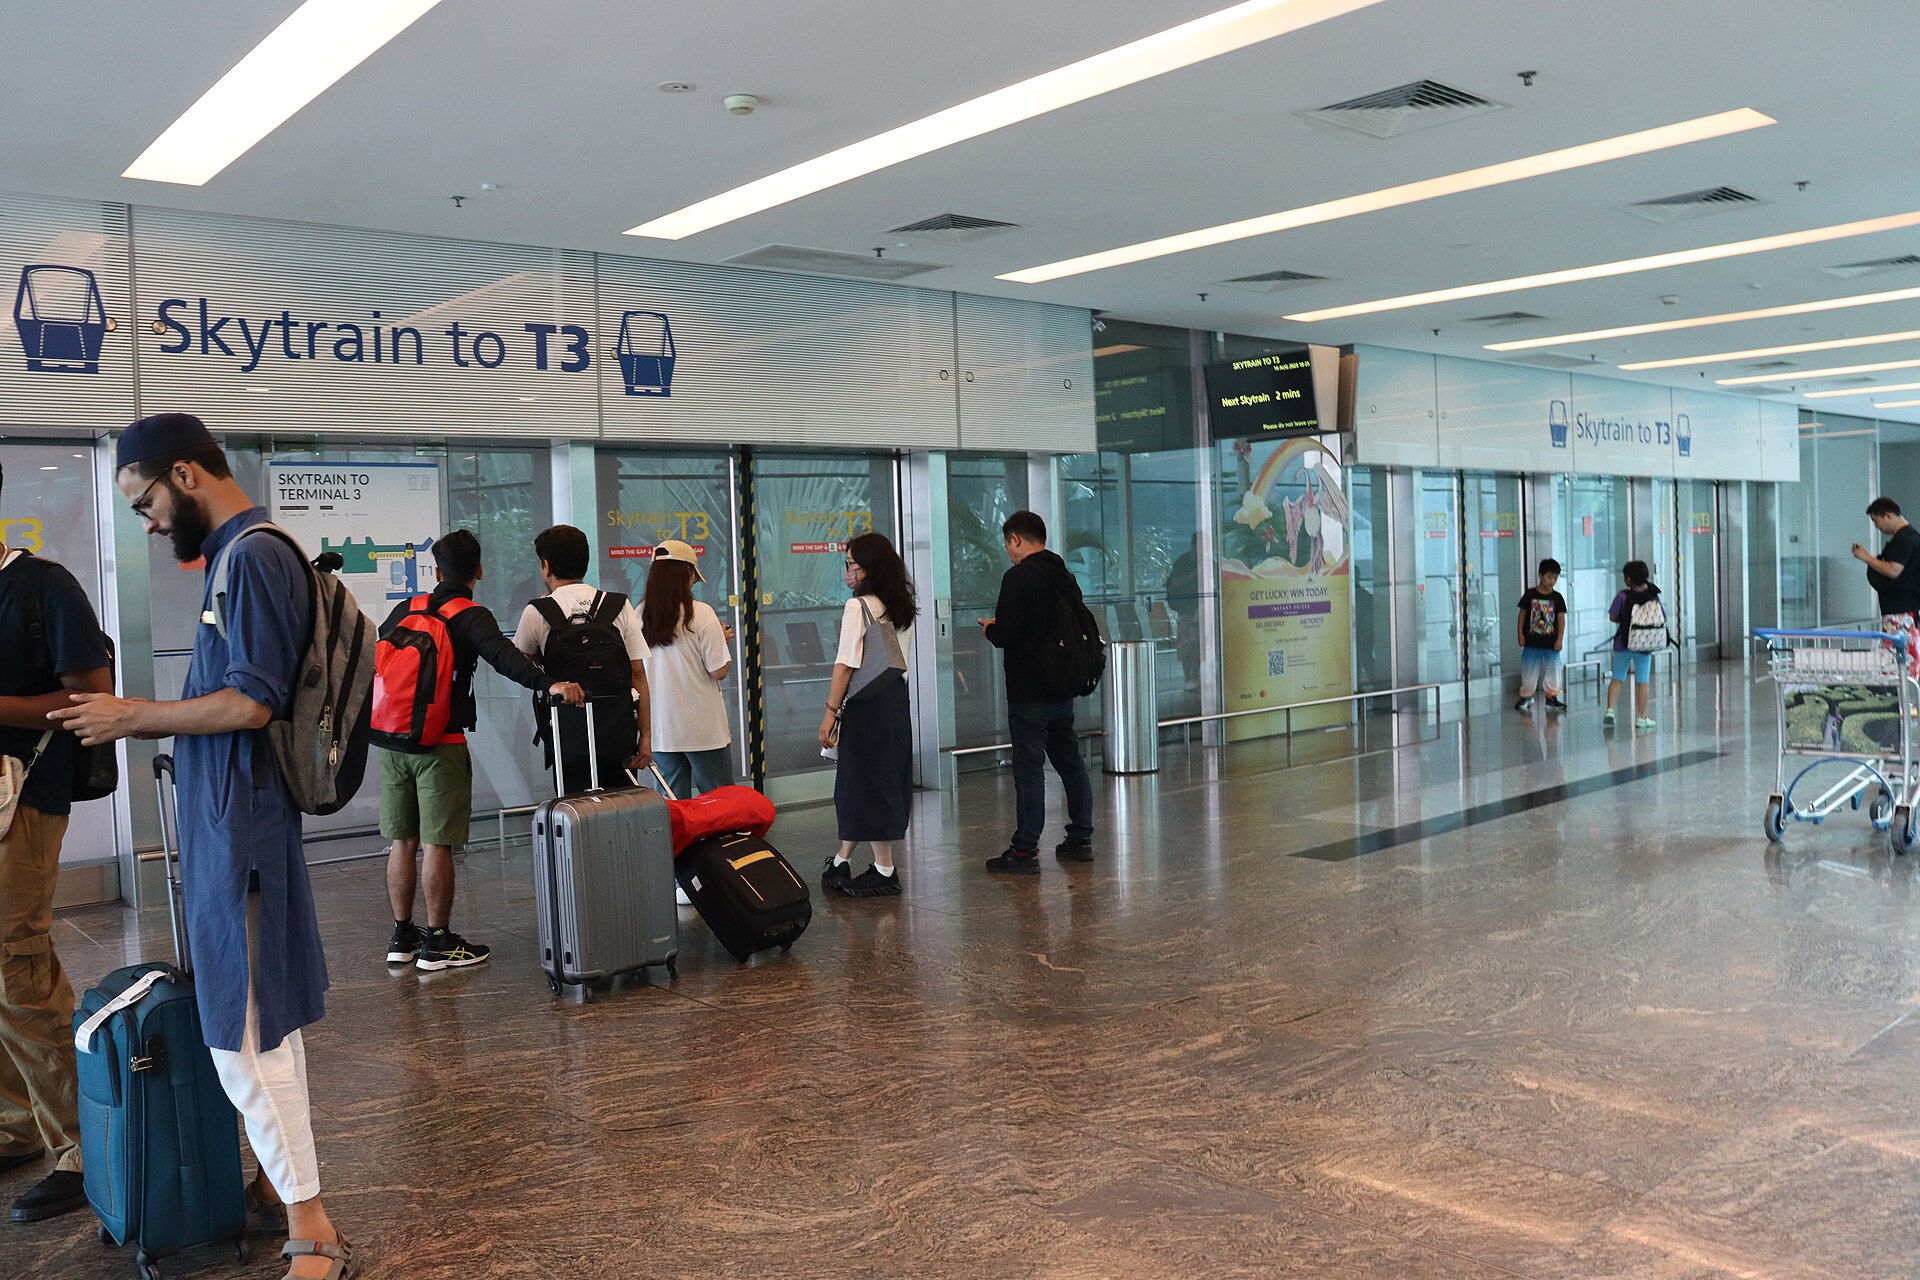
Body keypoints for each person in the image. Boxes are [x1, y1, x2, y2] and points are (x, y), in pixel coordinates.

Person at [53, 413, 356, 1280]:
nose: (148, 523)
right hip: (231, 824)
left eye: (144, 501)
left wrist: (132, 716)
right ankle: (271, 1182)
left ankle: (314, 1228)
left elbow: (252, 701)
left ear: (184, 475)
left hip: (242, 833)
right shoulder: (239, 556)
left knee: (243, 1035)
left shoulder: (253, 557)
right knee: (256, 1020)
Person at [375, 529, 584, 973]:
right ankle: (438, 942)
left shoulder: (405, 609)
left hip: (393, 741)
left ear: (436, 572)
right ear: (480, 571)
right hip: (441, 744)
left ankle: (401, 936)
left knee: (402, 840)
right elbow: (505, 657)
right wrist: (551, 684)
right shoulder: (470, 615)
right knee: (437, 844)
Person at [0, 463, 113, 1226]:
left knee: (18, 962)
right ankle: (15, 1125)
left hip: (23, 799)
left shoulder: (41, 586)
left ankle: (84, 1144)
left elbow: (93, 698)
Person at [979, 511, 1095, 873]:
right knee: (1070, 762)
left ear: (1016, 539)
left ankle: (1025, 851)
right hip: (1061, 687)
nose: (1009, 553)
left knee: (1028, 769)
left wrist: (990, 629)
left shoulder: (1017, 578)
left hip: (1028, 692)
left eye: (1008, 545)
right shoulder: (1063, 574)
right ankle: (1081, 838)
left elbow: (1009, 634)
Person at [512, 525, 652, 790]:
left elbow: (523, 667)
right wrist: (645, 736)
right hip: (618, 738)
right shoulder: (618, 605)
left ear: (546, 565)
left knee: (574, 808)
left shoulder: (538, 610)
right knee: (621, 806)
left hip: (566, 739)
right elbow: (637, 673)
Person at [818, 533, 915, 897]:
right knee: (870, 780)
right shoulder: (901, 606)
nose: (848, 572)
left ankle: (885, 869)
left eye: (852, 565)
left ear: (870, 569)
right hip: (894, 700)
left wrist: (829, 713)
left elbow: (845, 665)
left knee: (866, 783)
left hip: (865, 705)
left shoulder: (857, 607)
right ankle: (842, 860)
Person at [638, 540, 735, 800]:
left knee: (673, 804)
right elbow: (719, 670)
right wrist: (720, 640)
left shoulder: (640, 614)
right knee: (719, 801)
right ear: (687, 572)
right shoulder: (701, 614)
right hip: (703, 729)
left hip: (662, 729)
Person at [1853, 497, 1920, 683]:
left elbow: (1893, 570)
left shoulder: (1904, 539)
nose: (1877, 527)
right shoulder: (1908, 537)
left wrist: (1866, 557)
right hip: (1902, 610)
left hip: (1901, 613)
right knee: (1899, 659)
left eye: (1876, 521)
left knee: (1897, 661)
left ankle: (1903, 697)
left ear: (1888, 516)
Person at [1603, 559, 1662, 730]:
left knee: (1617, 678)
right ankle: (1641, 718)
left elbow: (1613, 616)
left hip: (1624, 642)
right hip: (1645, 645)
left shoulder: (1623, 596)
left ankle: (1610, 710)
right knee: (1643, 682)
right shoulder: (1654, 595)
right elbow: (1662, 616)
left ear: (1628, 579)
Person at [1514, 558, 1568, 714]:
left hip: (1551, 643)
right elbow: (1522, 614)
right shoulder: (1530, 595)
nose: (1552, 581)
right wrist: (1520, 633)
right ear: (1540, 575)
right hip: (1531, 641)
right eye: (1549, 577)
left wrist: (1560, 639)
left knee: (1553, 670)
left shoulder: (1557, 598)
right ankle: (1526, 696)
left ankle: (1552, 697)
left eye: (1555, 578)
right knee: (1529, 669)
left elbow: (1561, 619)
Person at [1165, 533, 1202, 688]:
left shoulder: (1206, 560)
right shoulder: (1183, 562)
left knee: (1198, 643)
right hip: (1186, 609)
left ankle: (1196, 675)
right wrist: (1195, 575)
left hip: (1201, 609)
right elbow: (1175, 584)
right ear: (1194, 545)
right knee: (1186, 643)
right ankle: (1188, 676)